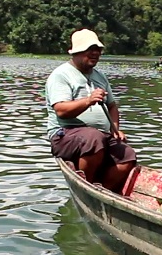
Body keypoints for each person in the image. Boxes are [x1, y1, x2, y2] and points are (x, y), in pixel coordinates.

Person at [46, 29, 137, 192]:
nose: (95, 53)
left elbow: (112, 106)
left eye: (98, 50)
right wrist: (88, 101)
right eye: (90, 49)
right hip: (65, 134)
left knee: (127, 155)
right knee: (93, 138)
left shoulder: (100, 77)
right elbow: (61, 110)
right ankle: (85, 187)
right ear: (77, 52)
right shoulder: (61, 75)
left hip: (99, 137)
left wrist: (114, 129)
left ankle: (104, 191)